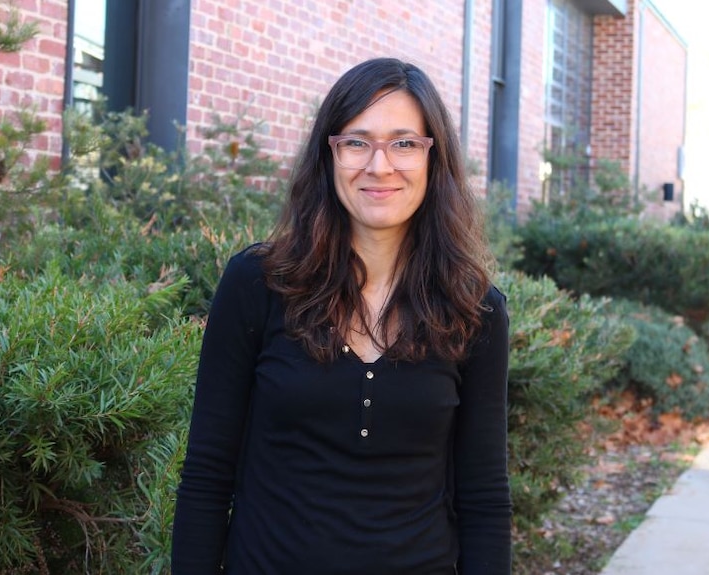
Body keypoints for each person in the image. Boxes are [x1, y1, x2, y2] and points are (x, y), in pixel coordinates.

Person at [171, 57, 511, 574]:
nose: (380, 166)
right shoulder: (258, 284)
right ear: (328, 154)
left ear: (432, 158)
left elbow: (484, 496)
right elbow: (207, 473)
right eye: (356, 142)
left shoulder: (475, 310)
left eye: (404, 143)